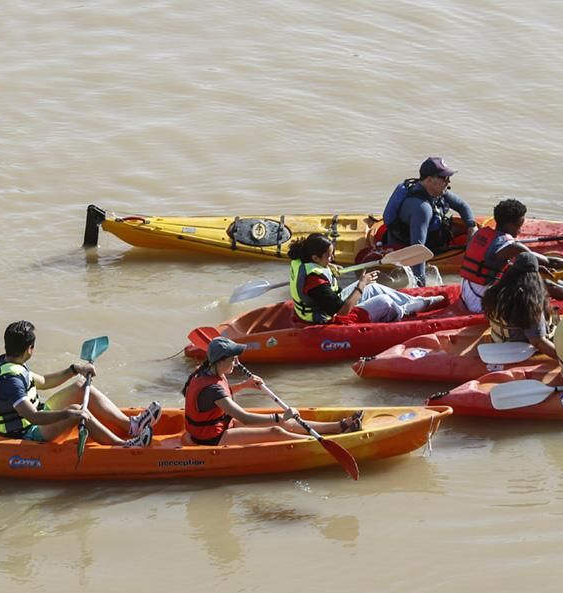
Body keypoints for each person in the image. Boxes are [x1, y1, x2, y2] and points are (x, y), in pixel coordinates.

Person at [0, 321, 159, 446]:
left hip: (36, 418)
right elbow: (33, 417)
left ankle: (132, 426)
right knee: (77, 411)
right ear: (29, 348)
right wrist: (66, 414)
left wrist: (75, 369)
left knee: (80, 386)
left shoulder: (7, 362)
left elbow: (44, 382)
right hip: (27, 432)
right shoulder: (11, 381)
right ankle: (123, 445)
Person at [182, 337, 364, 445]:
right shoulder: (212, 387)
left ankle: (338, 427)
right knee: (276, 430)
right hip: (212, 438)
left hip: (222, 424)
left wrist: (244, 385)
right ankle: (323, 444)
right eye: (233, 358)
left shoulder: (204, 371)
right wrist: (279, 417)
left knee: (287, 423)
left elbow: (207, 399)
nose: (237, 361)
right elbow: (244, 417)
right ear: (220, 361)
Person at [460, 198, 563, 313]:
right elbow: (549, 261)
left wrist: (536, 268)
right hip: (479, 302)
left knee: (530, 271)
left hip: (468, 291)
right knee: (538, 283)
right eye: (519, 225)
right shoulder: (510, 245)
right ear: (509, 224)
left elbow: (493, 263)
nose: (521, 230)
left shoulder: (481, 233)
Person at [289, 234, 446, 324]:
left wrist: (328, 266)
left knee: (373, 287)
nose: (332, 258)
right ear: (315, 257)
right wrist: (360, 285)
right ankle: (405, 310)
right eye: (329, 256)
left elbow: (317, 271)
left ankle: (418, 302)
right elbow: (341, 312)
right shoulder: (315, 281)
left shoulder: (303, 259)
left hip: (328, 304)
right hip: (325, 319)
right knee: (384, 302)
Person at [382, 156, 477, 286]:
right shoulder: (422, 209)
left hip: (426, 235)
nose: (448, 181)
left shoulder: (435, 191)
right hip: (410, 245)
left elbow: (462, 206)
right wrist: (421, 285)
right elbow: (418, 251)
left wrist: (472, 226)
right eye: (444, 178)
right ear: (430, 180)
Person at [481, 252, 559, 359]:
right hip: (521, 350)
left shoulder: (494, 291)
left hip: (499, 341)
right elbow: (537, 342)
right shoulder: (529, 301)